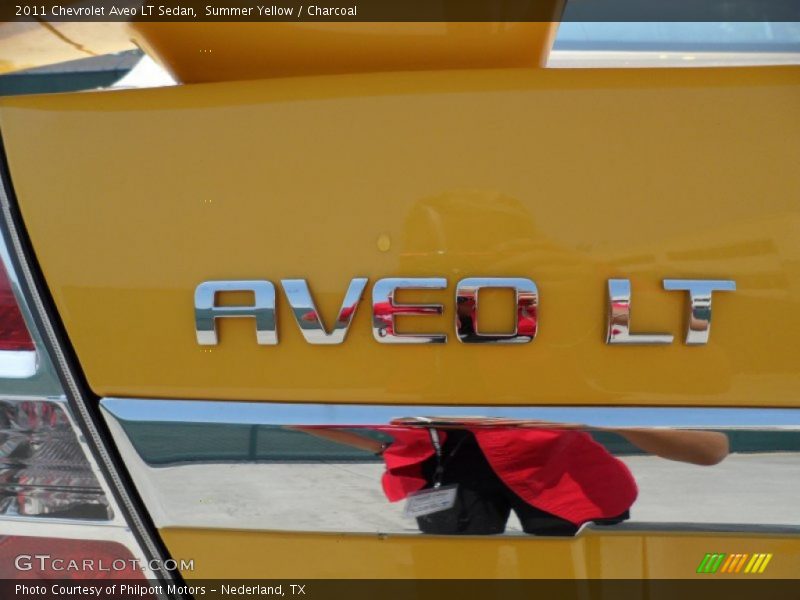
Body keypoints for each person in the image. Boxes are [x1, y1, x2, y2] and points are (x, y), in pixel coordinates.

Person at [291, 420, 729, 536]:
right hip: (446, 463)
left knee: (578, 571)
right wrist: (380, 447)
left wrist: (601, 413)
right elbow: (300, 413)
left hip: (559, 467)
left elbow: (712, 448)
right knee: (455, 575)